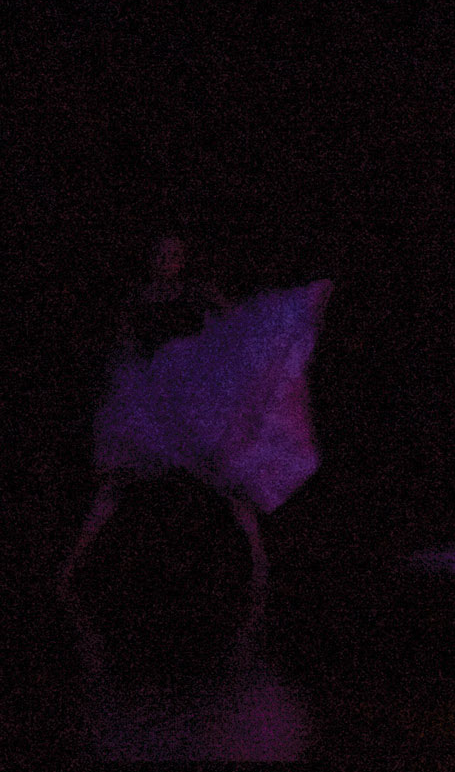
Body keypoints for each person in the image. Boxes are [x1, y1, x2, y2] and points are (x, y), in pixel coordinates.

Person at [59, 232, 332, 603]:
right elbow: (123, 348)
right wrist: (121, 384)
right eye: (162, 254)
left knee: (233, 480)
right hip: (153, 401)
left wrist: (266, 331)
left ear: (183, 259)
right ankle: (72, 566)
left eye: (175, 255)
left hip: (194, 400)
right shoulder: (137, 299)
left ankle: (260, 567)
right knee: (115, 481)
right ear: (151, 257)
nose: (168, 261)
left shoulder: (197, 292)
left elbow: (241, 325)